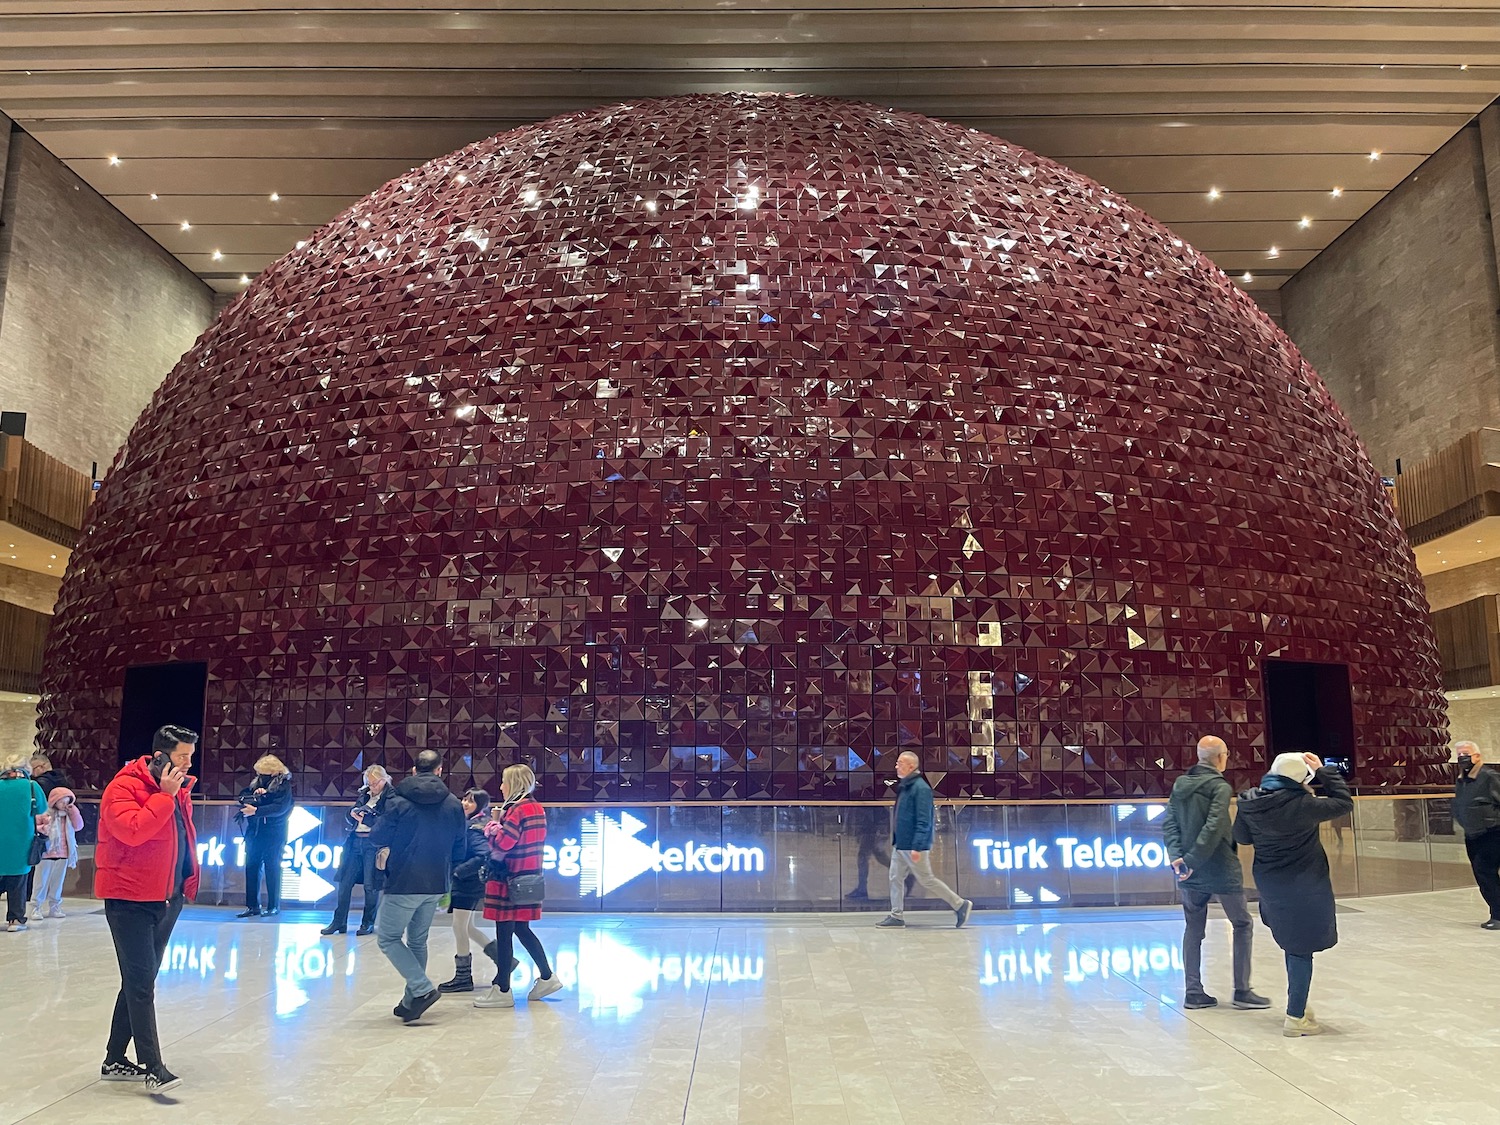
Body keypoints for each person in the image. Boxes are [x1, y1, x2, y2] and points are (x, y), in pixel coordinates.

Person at [95, 725, 201, 1094]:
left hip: (166, 898)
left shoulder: (177, 790)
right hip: (129, 900)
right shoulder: (123, 788)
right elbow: (134, 831)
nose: (188, 763)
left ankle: (113, 1059)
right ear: (159, 756)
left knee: (140, 980)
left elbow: (180, 839)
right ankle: (153, 1066)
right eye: (181, 756)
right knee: (141, 984)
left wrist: (186, 882)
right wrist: (165, 796)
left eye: (190, 756)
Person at [1232, 751, 1353, 1037]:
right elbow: (1344, 803)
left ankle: (1297, 1004)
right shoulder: (1303, 804)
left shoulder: (1250, 802)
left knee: (1292, 944)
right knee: (1301, 950)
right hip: (1304, 885)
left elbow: (1242, 837)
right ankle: (1296, 1016)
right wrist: (1324, 771)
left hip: (1270, 883)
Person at [1163, 736, 1268, 1010]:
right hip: (1221, 868)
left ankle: (1193, 991)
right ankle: (1242, 991)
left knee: (1193, 929)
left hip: (1189, 873)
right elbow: (1214, 828)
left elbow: (1169, 823)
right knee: (1242, 923)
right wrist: (1192, 859)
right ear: (1221, 757)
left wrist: (1179, 859)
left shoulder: (1180, 785)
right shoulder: (1220, 788)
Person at [367, 749, 467, 1023]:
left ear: (413, 771)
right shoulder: (453, 804)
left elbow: (379, 836)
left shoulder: (398, 801)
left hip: (405, 879)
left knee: (387, 937)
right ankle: (411, 999)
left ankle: (421, 989)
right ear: (439, 771)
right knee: (417, 939)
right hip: (437, 881)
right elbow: (461, 846)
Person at [476, 763, 563, 1008]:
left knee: (504, 932)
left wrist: (492, 826)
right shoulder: (536, 807)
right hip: (528, 878)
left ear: (513, 784)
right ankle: (546, 976)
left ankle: (502, 988)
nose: (501, 787)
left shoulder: (516, 810)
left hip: (508, 879)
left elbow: (504, 843)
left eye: (504, 782)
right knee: (521, 928)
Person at [875, 751, 972, 929]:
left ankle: (960, 904)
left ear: (911, 766)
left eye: (900, 763)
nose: (896, 766)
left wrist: (917, 847)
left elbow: (924, 820)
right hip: (902, 844)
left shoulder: (921, 789)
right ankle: (896, 916)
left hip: (913, 845)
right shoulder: (906, 786)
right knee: (895, 877)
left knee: (927, 879)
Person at [439, 788, 507, 992]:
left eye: (471, 801)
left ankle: (463, 977)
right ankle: (505, 961)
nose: (465, 803)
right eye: (464, 799)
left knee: (459, 927)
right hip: (468, 883)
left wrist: (459, 872)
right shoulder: (470, 823)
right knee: (467, 927)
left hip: (467, 884)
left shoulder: (475, 827)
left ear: (481, 805)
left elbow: (482, 855)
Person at [322, 765, 391, 935]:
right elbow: (351, 816)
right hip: (354, 841)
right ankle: (339, 921)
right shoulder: (364, 794)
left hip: (373, 845)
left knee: (370, 885)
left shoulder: (391, 797)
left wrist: (366, 818)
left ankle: (367, 922)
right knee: (345, 883)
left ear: (384, 780)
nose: (372, 787)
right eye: (369, 783)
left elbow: (387, 823)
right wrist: (352, 813)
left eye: (375, 783)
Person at [236, 754, 294, 918]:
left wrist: (257, 809)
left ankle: (273, 905)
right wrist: (254, 797)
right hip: (255, 831)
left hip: (274, 833)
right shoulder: (257, 783)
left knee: (272, 867)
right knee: (252, 866)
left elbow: (280, 808)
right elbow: (243, 796)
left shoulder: (284, 786)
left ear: (274, 772)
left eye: (263, 773)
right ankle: (252, 906)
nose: (260, 776)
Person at [1451, 740, 1500, 930]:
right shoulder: (1462, 779)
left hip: (1492, 833)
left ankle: (1498, 915)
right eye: (1459, 754)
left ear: (1477, 756)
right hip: (1472, 834)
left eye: (1466, 753)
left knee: (1485, 873)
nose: (1462, 758)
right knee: (1482, 875)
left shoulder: (1489, 777)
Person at [0, 752, 47, 932]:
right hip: (21, 840)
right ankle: (16, 920)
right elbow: (41, 809)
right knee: (18, 880)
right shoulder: (31, 787)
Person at [32, 786, 84, 920]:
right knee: (40, 882)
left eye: (68, 802)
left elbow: (78, 826)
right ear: (54, 801)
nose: (65, 805)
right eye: (62, 801)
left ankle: (55, 906)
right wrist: (44, 828)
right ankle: (35, 907)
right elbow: (35, 827)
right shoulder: (45, 813)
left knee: (58, 882)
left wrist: (74, 812)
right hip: (46, 853)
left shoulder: (69, 815)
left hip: (63, 853)